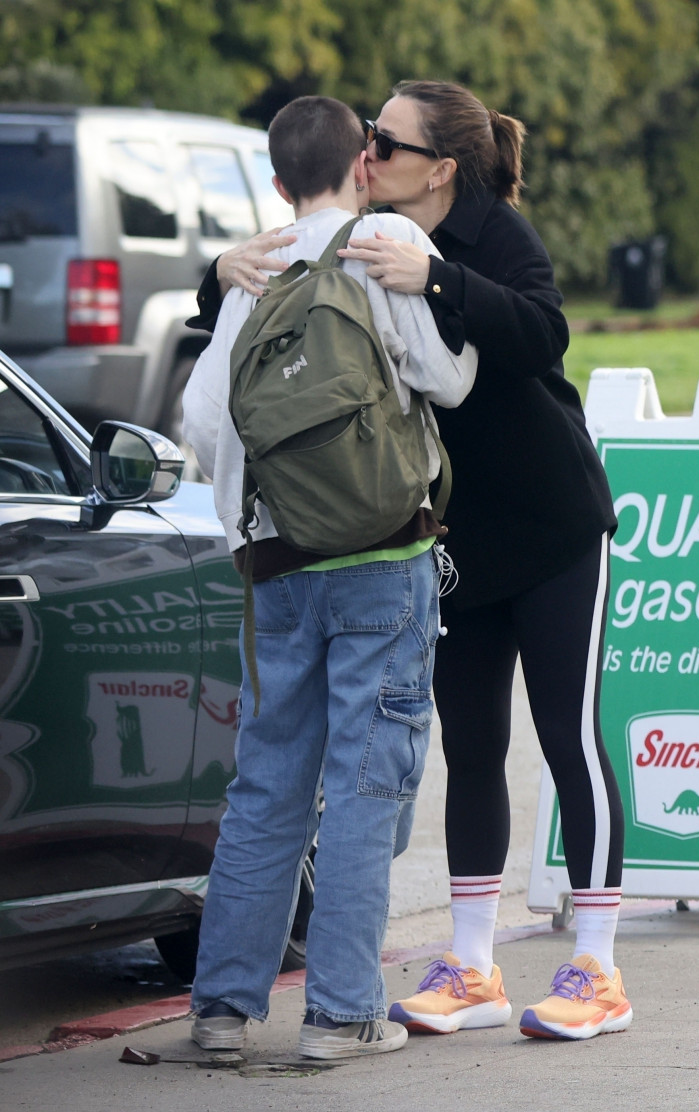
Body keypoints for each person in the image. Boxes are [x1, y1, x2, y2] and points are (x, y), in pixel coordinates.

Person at [190, 80, 631, 1044]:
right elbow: (253, 321)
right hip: (454, 540)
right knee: (469, 750)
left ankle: (596, 968)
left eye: (388, 138)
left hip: (554, 526)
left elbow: (542, 333)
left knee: (568, 738)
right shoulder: (371, 233)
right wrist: (215, 273)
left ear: (438, 167)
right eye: (369, 136)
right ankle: (472, 969)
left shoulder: (486, 234)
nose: (371, 149)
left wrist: (431, 279)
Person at [181, 94, 477, 1061]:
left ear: (275, 181)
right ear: (362, 162)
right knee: (363, 789)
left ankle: (222, 1013)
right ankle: (343, 1013)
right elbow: (449, 379)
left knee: (266, 786)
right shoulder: (379, 238)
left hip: (274, 571)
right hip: (383, 564)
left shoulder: (249, 270)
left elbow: (203, 428)